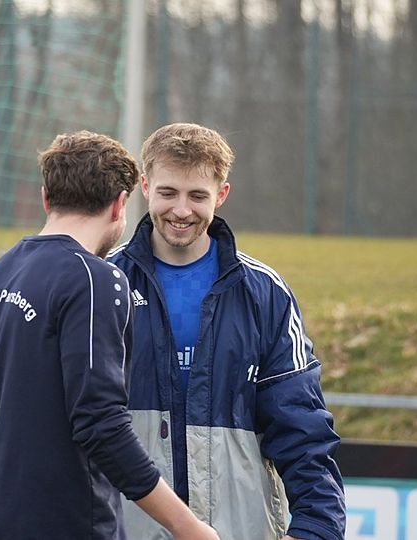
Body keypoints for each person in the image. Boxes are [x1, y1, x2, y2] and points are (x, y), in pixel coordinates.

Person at [0, 131, 220, 540]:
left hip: (2, 525)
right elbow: (101, 424)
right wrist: (186, 526)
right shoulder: (95, 279)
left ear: (46, 198)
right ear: (120, 204)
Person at [107, 123, 346, 540]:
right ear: (145, 186)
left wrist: (317, 526)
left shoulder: (264, 292)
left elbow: (301, 424)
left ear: (221, 194)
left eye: (197, 196)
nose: (182, 210)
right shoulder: (104, 283)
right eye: (168, 193)